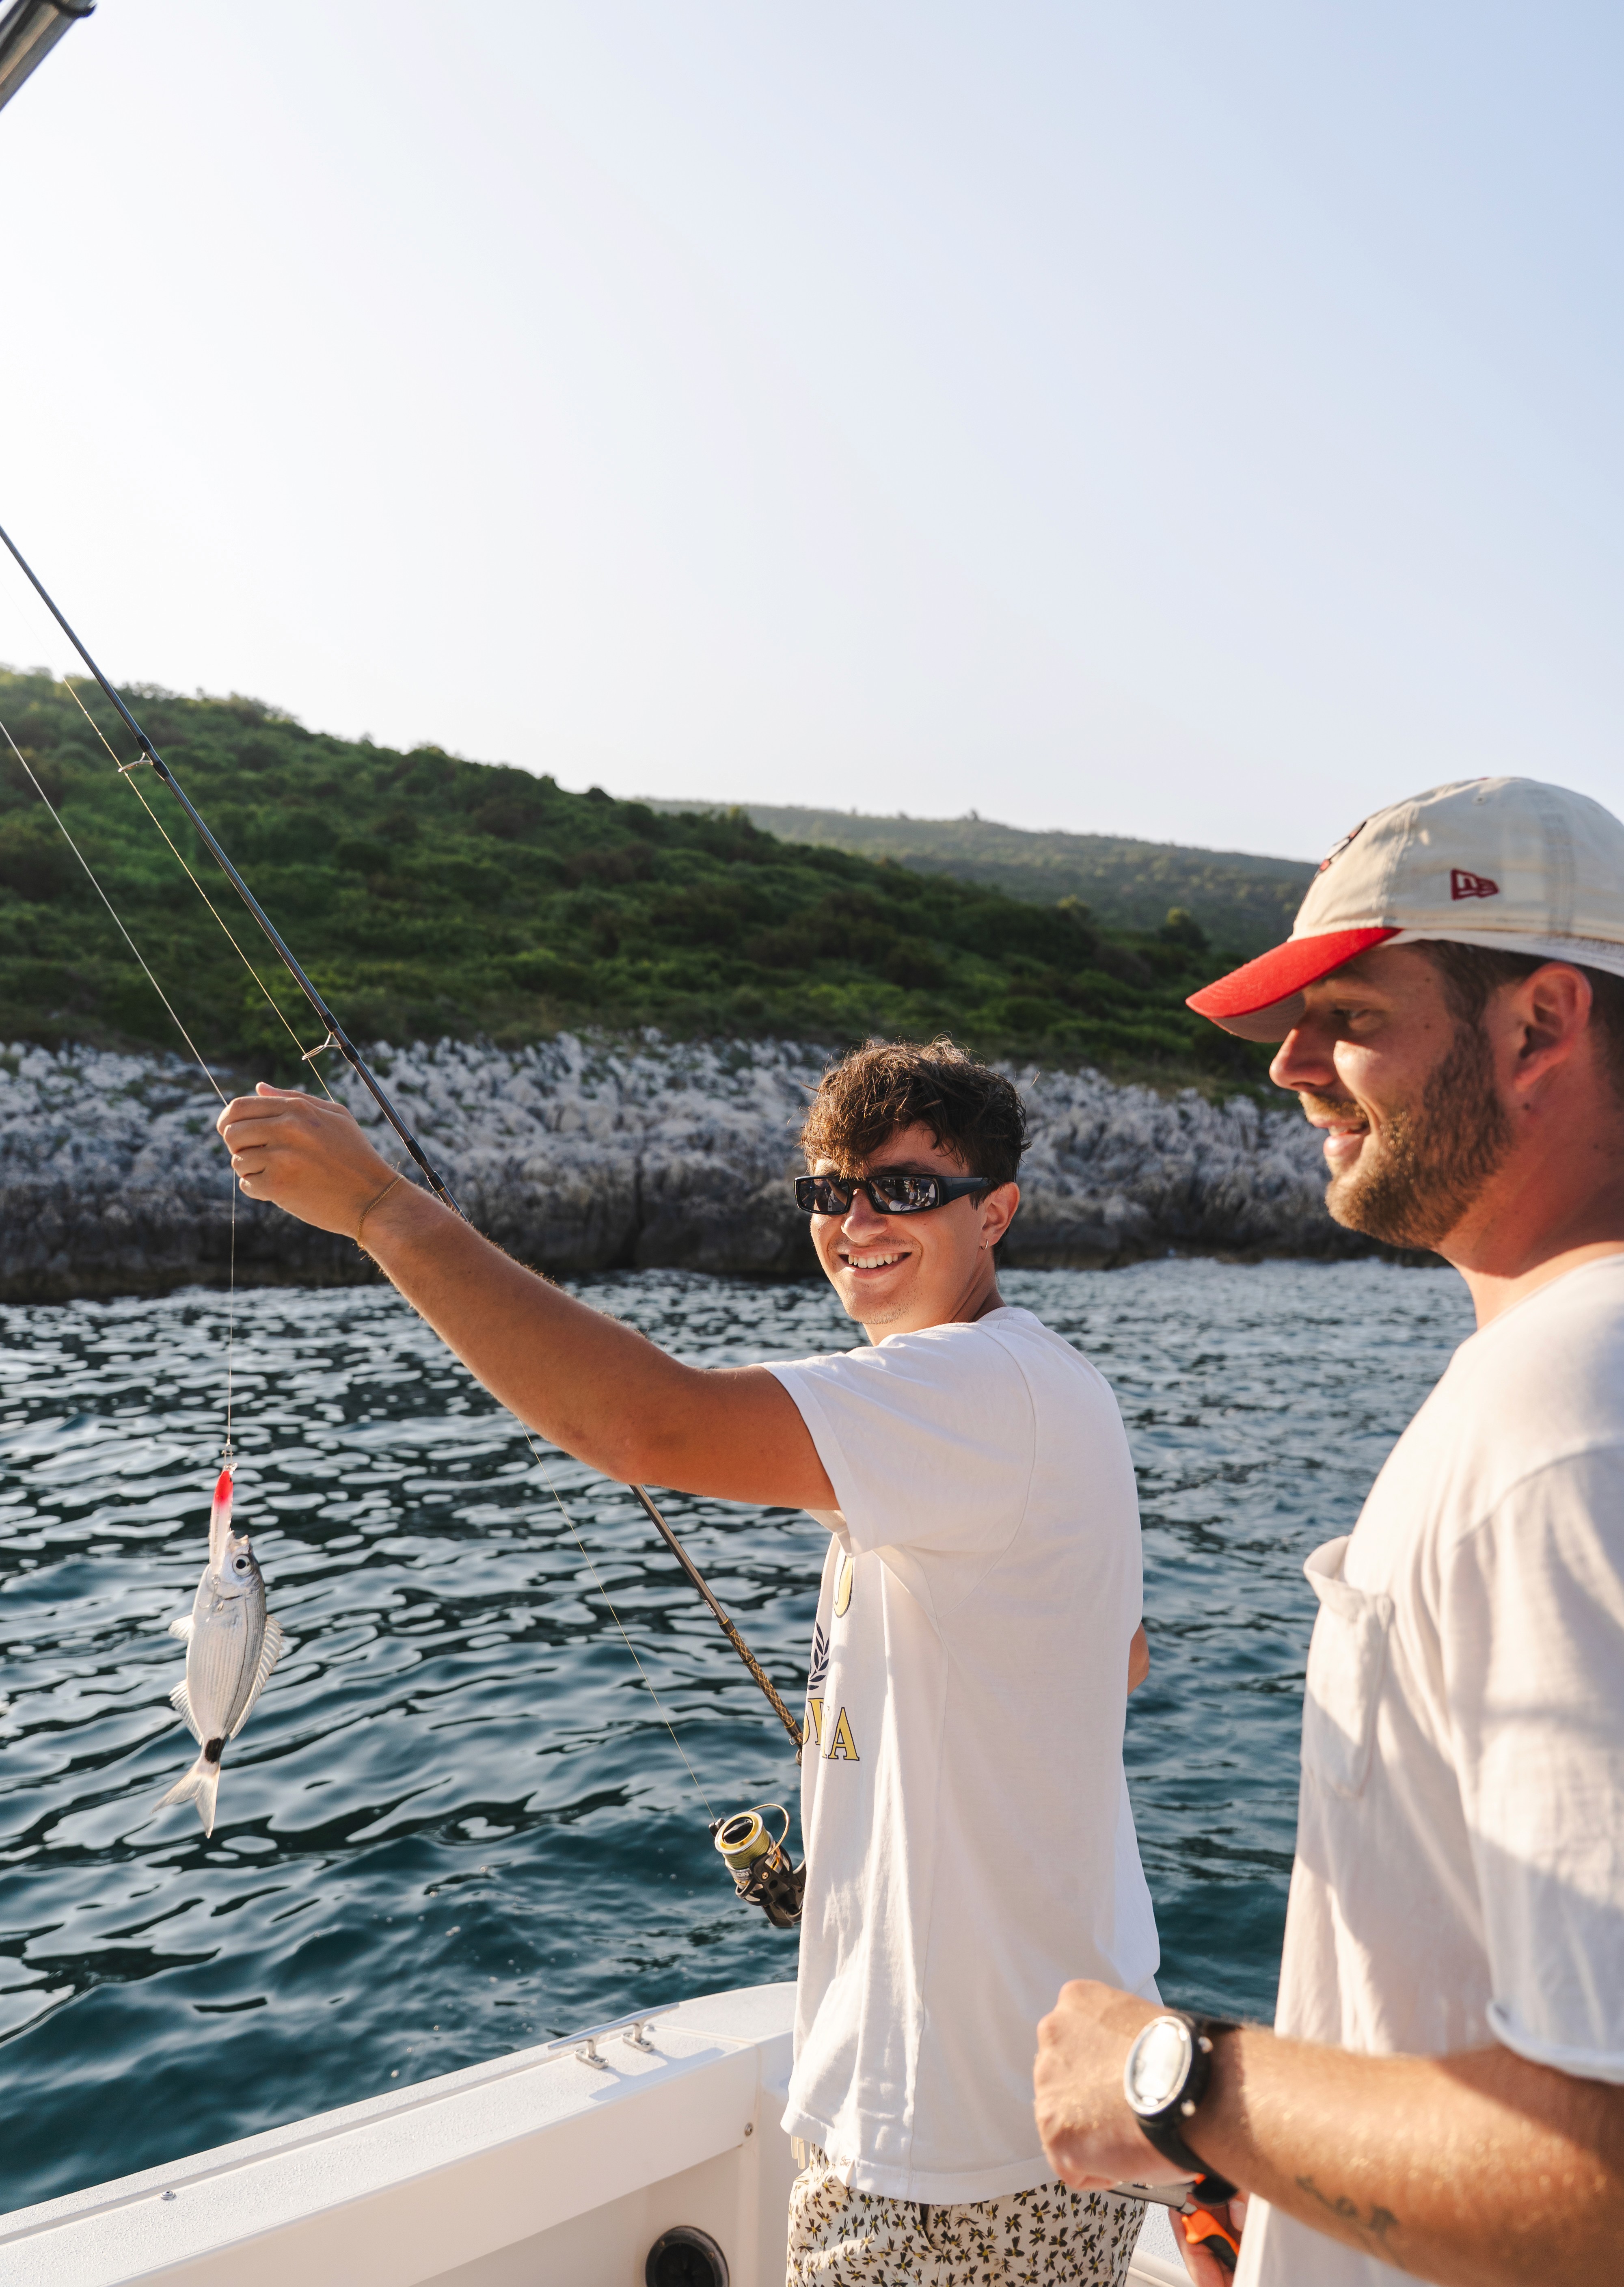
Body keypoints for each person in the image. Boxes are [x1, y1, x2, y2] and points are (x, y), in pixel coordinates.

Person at [217, 1035, 1158, 2287]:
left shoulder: (978, 1392)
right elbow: (1124, 1656)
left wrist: (383, 1210)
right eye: (831, 1192)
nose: (858, 1221)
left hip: (952, 2151)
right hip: (1026, 2105)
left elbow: (642, 1424)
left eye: (907, 1190)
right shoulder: (1030, 1394)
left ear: (997, 1212)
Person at [1031, 775, 1624, 2287]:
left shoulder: (1563, 1419)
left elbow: (1599, 2183)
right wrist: (1304, 2189)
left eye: (1351, 1013)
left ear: (1540, 1026)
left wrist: (1186, 2094)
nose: (1290, 1067)